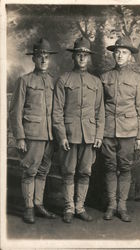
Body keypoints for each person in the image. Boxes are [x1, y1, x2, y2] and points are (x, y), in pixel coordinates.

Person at [53, 37, 105, 223]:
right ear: (73, 57)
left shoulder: (96, 82)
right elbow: (57, 111)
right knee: (68, 172)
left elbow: (100, 111)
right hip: (69, 135)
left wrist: (98, 135)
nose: (82, 58)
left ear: (89, 58)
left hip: (89, 136)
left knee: (85, 172)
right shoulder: (63, 79)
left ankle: (80, 207)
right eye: (78, 54)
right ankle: (69, 207)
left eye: (85, 55)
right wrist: (61, 137)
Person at [9, 38, 58, 224]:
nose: (44, 60)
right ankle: (28, 208)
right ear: (34, 59)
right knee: (30, 171)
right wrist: (20, 137)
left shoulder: (53, 81)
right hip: (32, 134)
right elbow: (15, 111)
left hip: (50, 136)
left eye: (46, 57)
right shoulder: (24, 81)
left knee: (43, 171)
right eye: (40, 56)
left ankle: (39, 205)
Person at [100, 36, 140, 222]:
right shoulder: (104, 77)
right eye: (117, 52)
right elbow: (99, 107)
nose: (120, 55)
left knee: (125, 168)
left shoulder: (137, 79)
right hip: (108, 130)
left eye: (124, 52)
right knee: (110, 167)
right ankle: (112, 205)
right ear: (114, 54)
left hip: (129, 131)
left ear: (130, 56)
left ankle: (122, 206)